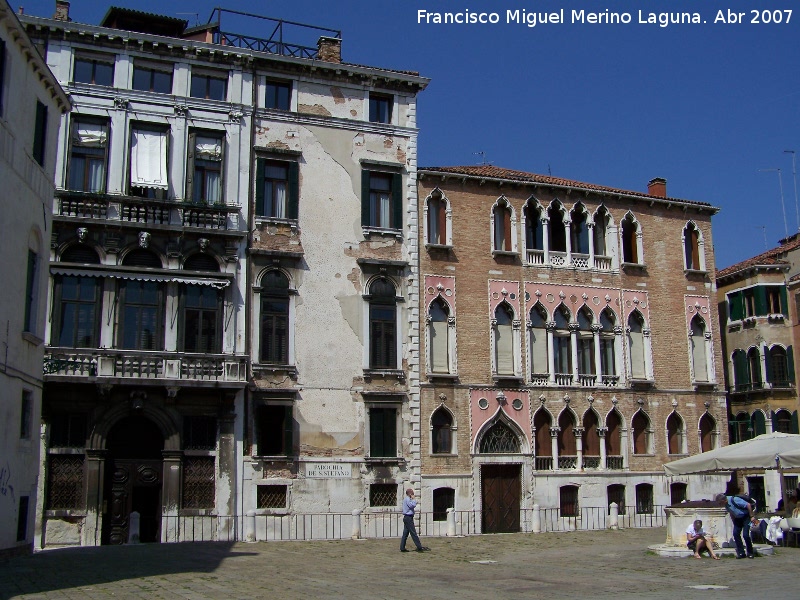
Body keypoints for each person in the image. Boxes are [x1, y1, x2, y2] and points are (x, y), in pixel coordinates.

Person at [716, 492, 758, 558]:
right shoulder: (726, 505)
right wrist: (734, 521)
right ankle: (741, 553)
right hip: (738, 519)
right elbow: (731, 512)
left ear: (723, 500)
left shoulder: (734, 500)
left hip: (746, 517)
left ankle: (750, 552)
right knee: (736, 534)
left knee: (746, 535)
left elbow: (748, 505)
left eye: (720, 503)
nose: (720, 504)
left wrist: (751, 516)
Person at [400, 488, 430, 553]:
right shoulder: (408, 499)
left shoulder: (406, 499)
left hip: (407, 517)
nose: (413, 494)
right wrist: (414, 499)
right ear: (410, 494)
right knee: (413, 533)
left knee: (405, 533)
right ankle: (419, 547)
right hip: (408, 518)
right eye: (412, 493)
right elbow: (412, 505)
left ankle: (402, 547)